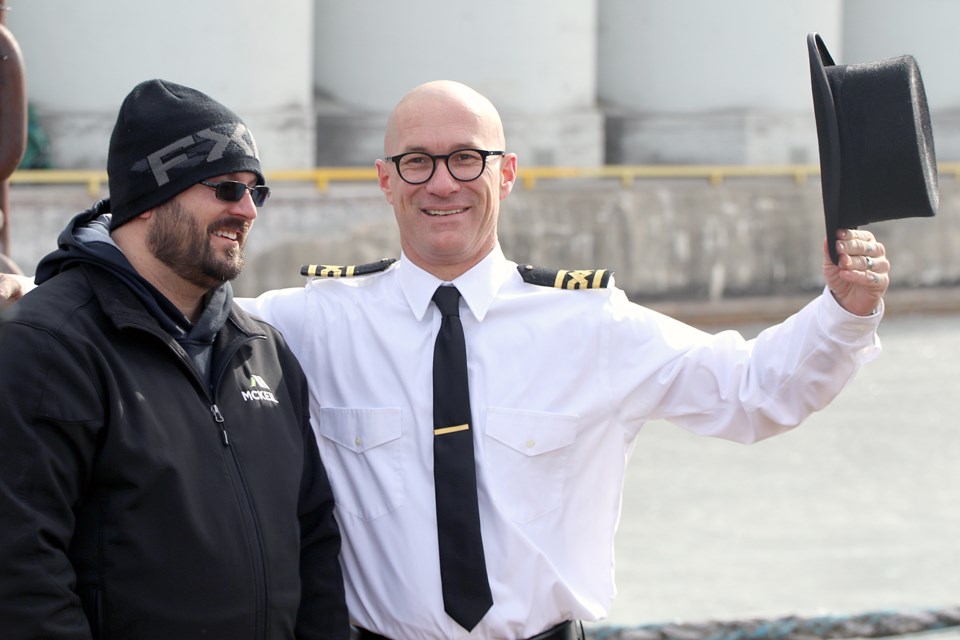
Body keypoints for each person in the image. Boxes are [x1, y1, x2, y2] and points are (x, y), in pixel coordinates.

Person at [0, 80, 891, 639]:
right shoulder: (302, 328)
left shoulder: (594, 326)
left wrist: (844, 312)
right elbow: (162, 317)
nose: (442, 182)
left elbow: (753, 393)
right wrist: (32, 294)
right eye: (417, 161)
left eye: (466, 158)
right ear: (384, 181)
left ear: (506, 175)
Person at [0, 79, 349, 639]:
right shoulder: (51, 346)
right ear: (149, 197)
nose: (247, 210)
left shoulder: (263, 350)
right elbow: (21, 573)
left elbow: (313, 542)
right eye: (227, 188)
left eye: (256, 192)